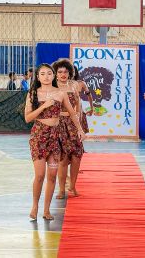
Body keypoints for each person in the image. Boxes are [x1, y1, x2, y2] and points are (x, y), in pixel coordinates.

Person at [24, 63, 84, 221]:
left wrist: (80, 129)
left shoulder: (60, 93)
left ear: (53, 76)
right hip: (39, 136)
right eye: (42, 74)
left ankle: (46, 210)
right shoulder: (32, 94)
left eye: (49, 73)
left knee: (51, 175)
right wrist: (45, 105)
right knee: (40, 175)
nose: (46, 76)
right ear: (38, 77)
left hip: (56, 137)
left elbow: (72, 113)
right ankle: (35, 206)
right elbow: (28, 118)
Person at [52, 59, 85, 199]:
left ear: (70, 72)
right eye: (60, 72)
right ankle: (61, 190)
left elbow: (78, 106)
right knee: (63, 159)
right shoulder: (52, 88)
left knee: (77, 156)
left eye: (65, 71)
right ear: (56, 74)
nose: (63, 74)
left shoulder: (74, 85)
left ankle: (72, 186)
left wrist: (80, 126)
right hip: (58, 124)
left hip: (73, 123)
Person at [73, 65, 93, 134]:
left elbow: (89, 95)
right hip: (65, 108)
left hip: (77, 107)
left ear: (75, 73)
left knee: (77, 129)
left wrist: (91, 108)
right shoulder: (61, 84)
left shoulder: (81, 83)